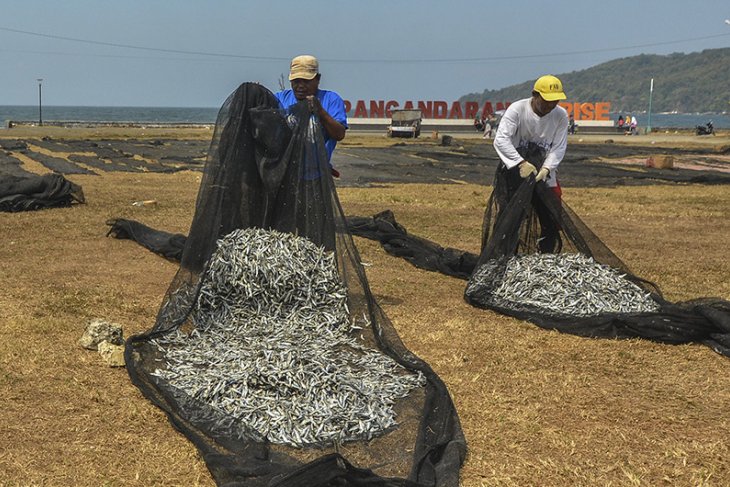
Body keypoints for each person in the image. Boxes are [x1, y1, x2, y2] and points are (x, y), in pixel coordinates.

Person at [493, 74, 569, 252]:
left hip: (543, 173)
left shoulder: (560, 115)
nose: (551, 105)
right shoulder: (517, 110)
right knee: (511, 217)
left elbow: (558, 147)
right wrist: (521, 163)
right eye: (547, 100)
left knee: (551, 214)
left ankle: (546, 254)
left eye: (555, 101)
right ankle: (503, 255)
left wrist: (547, 168)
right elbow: (501, 140)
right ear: (535, 95)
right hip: (515, 172)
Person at [274, 55, 348, 176]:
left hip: (317, 176)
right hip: (285, 174)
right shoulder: (279, 99)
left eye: (306, 81)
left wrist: (320, 112)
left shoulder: (331, 100)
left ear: (318, 79)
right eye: (296, 81)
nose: (301, 86)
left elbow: (339, 134)